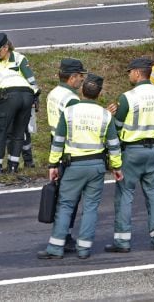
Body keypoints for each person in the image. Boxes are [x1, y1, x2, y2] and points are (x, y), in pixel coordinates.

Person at [38, 74, 121, 260]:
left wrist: (53, 164)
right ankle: (84, 249)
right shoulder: (105, 115)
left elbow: (58, 141)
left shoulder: (69, 112)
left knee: (65, 205)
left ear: (82, 90)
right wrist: (116, 167)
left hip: (73, 166)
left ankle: (56, 247)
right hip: (97, 167)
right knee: (91, 207)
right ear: (99, 94)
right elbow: (114, 144)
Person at [104, 57, 154, 253]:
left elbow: (117, 127)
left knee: (125, 195)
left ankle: (122, 241)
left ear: (138, 73)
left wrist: (111, 116)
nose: (129, 75)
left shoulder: (127, 97)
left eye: (130, 71)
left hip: (131, 152)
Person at [46, 58, 87, 253]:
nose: (82, 81)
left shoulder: (54, 93)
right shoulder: (71, 99)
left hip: (56, 146)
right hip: (70, 151)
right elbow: (77, 125)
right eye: (80, 76)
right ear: (72, 77)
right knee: (70, 198)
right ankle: (64, 236)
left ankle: (61, 235)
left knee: (63, 197)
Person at [0, 32, 40, 168]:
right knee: (8, 131)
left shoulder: (19, 59)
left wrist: (35, 97)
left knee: (23, 131)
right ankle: (11, 161)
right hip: (6, 100)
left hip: (23, 97)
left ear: (6, 47)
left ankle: (28, 161)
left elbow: (31, 80)